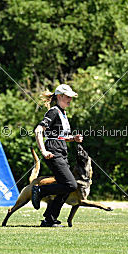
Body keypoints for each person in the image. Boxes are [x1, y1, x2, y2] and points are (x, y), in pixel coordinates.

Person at [32, 84, 83, 227]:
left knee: (65, 186)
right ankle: (40, 190)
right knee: (70, 184)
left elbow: (59, 136)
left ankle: (49, 219)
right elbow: (38, 130)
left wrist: (73, 138)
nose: (70, 100)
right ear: (59, 96)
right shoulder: (53, 112)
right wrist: (43, 151)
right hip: (53, 151)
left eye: (71, 97)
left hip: (61, 150)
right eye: (68, 97)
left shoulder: (63, 113)